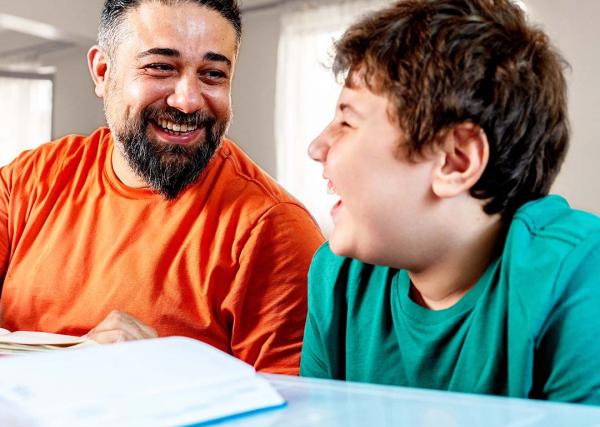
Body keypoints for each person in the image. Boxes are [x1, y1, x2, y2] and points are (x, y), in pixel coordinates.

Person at [0, 0, 324, 374]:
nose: (188, 100)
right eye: (160, 67)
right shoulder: (28, 179)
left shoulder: (272, 229)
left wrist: (164, 381)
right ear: (103, 72)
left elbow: (293, 413)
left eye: (213, 74)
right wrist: (74, 363)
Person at [300, 0, 600, 404]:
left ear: (455, 160)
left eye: (347, 121)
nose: (317, 147)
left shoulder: (576, 274)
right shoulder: (337, 278)